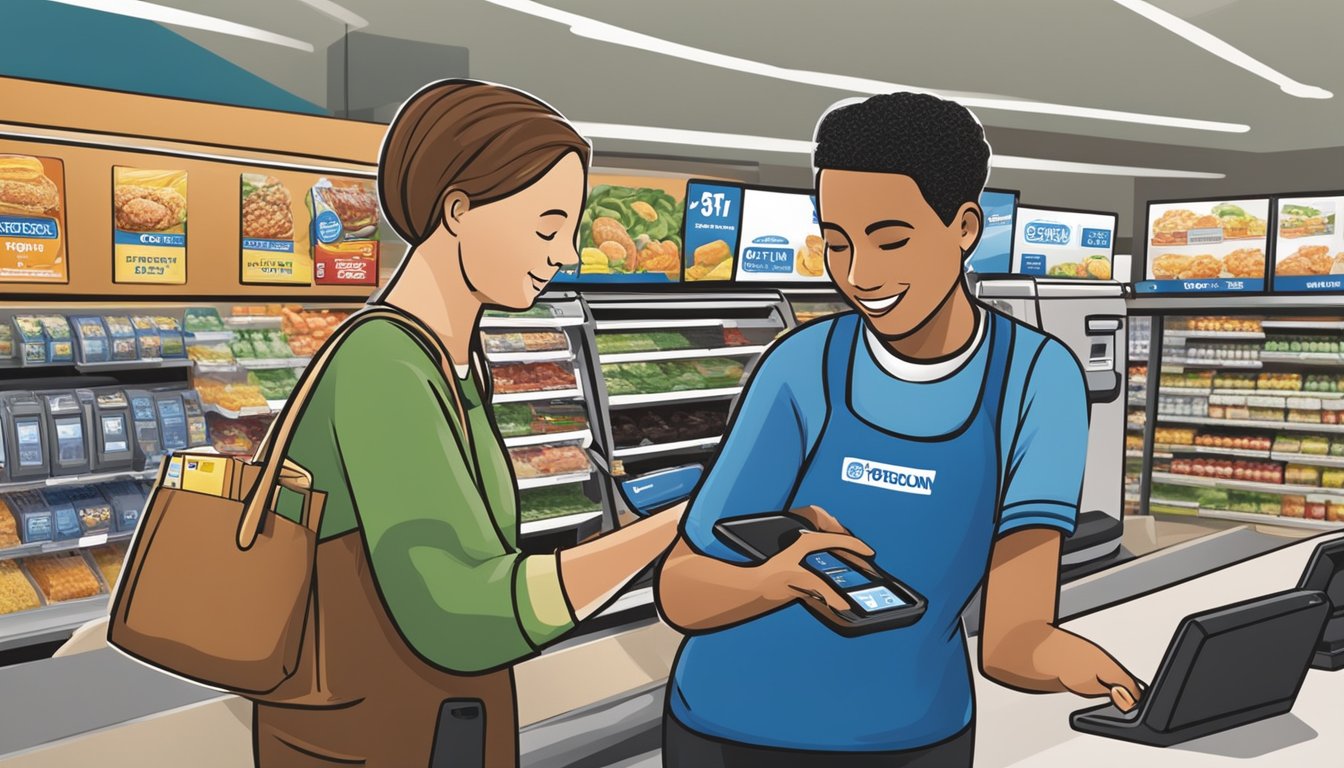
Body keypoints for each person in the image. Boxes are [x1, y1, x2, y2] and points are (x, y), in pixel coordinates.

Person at [656, 92, 1142, 767]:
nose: (860, 275)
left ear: (965, 227)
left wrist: (1070, 660)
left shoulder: (1036, 379)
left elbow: (1011, 638)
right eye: (836, 243)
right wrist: (779, 581)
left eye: (891, 240)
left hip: (912, 739)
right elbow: (682, 590)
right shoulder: (802, 365)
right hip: (727, 729)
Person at [250, 79, 682, 767]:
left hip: (442, 723)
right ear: (457, 208)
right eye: (547, 226)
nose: (566, 253)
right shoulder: (382, 365)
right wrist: (675, 526)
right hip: (379, 736)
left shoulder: (455, 361)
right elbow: (459, 614)